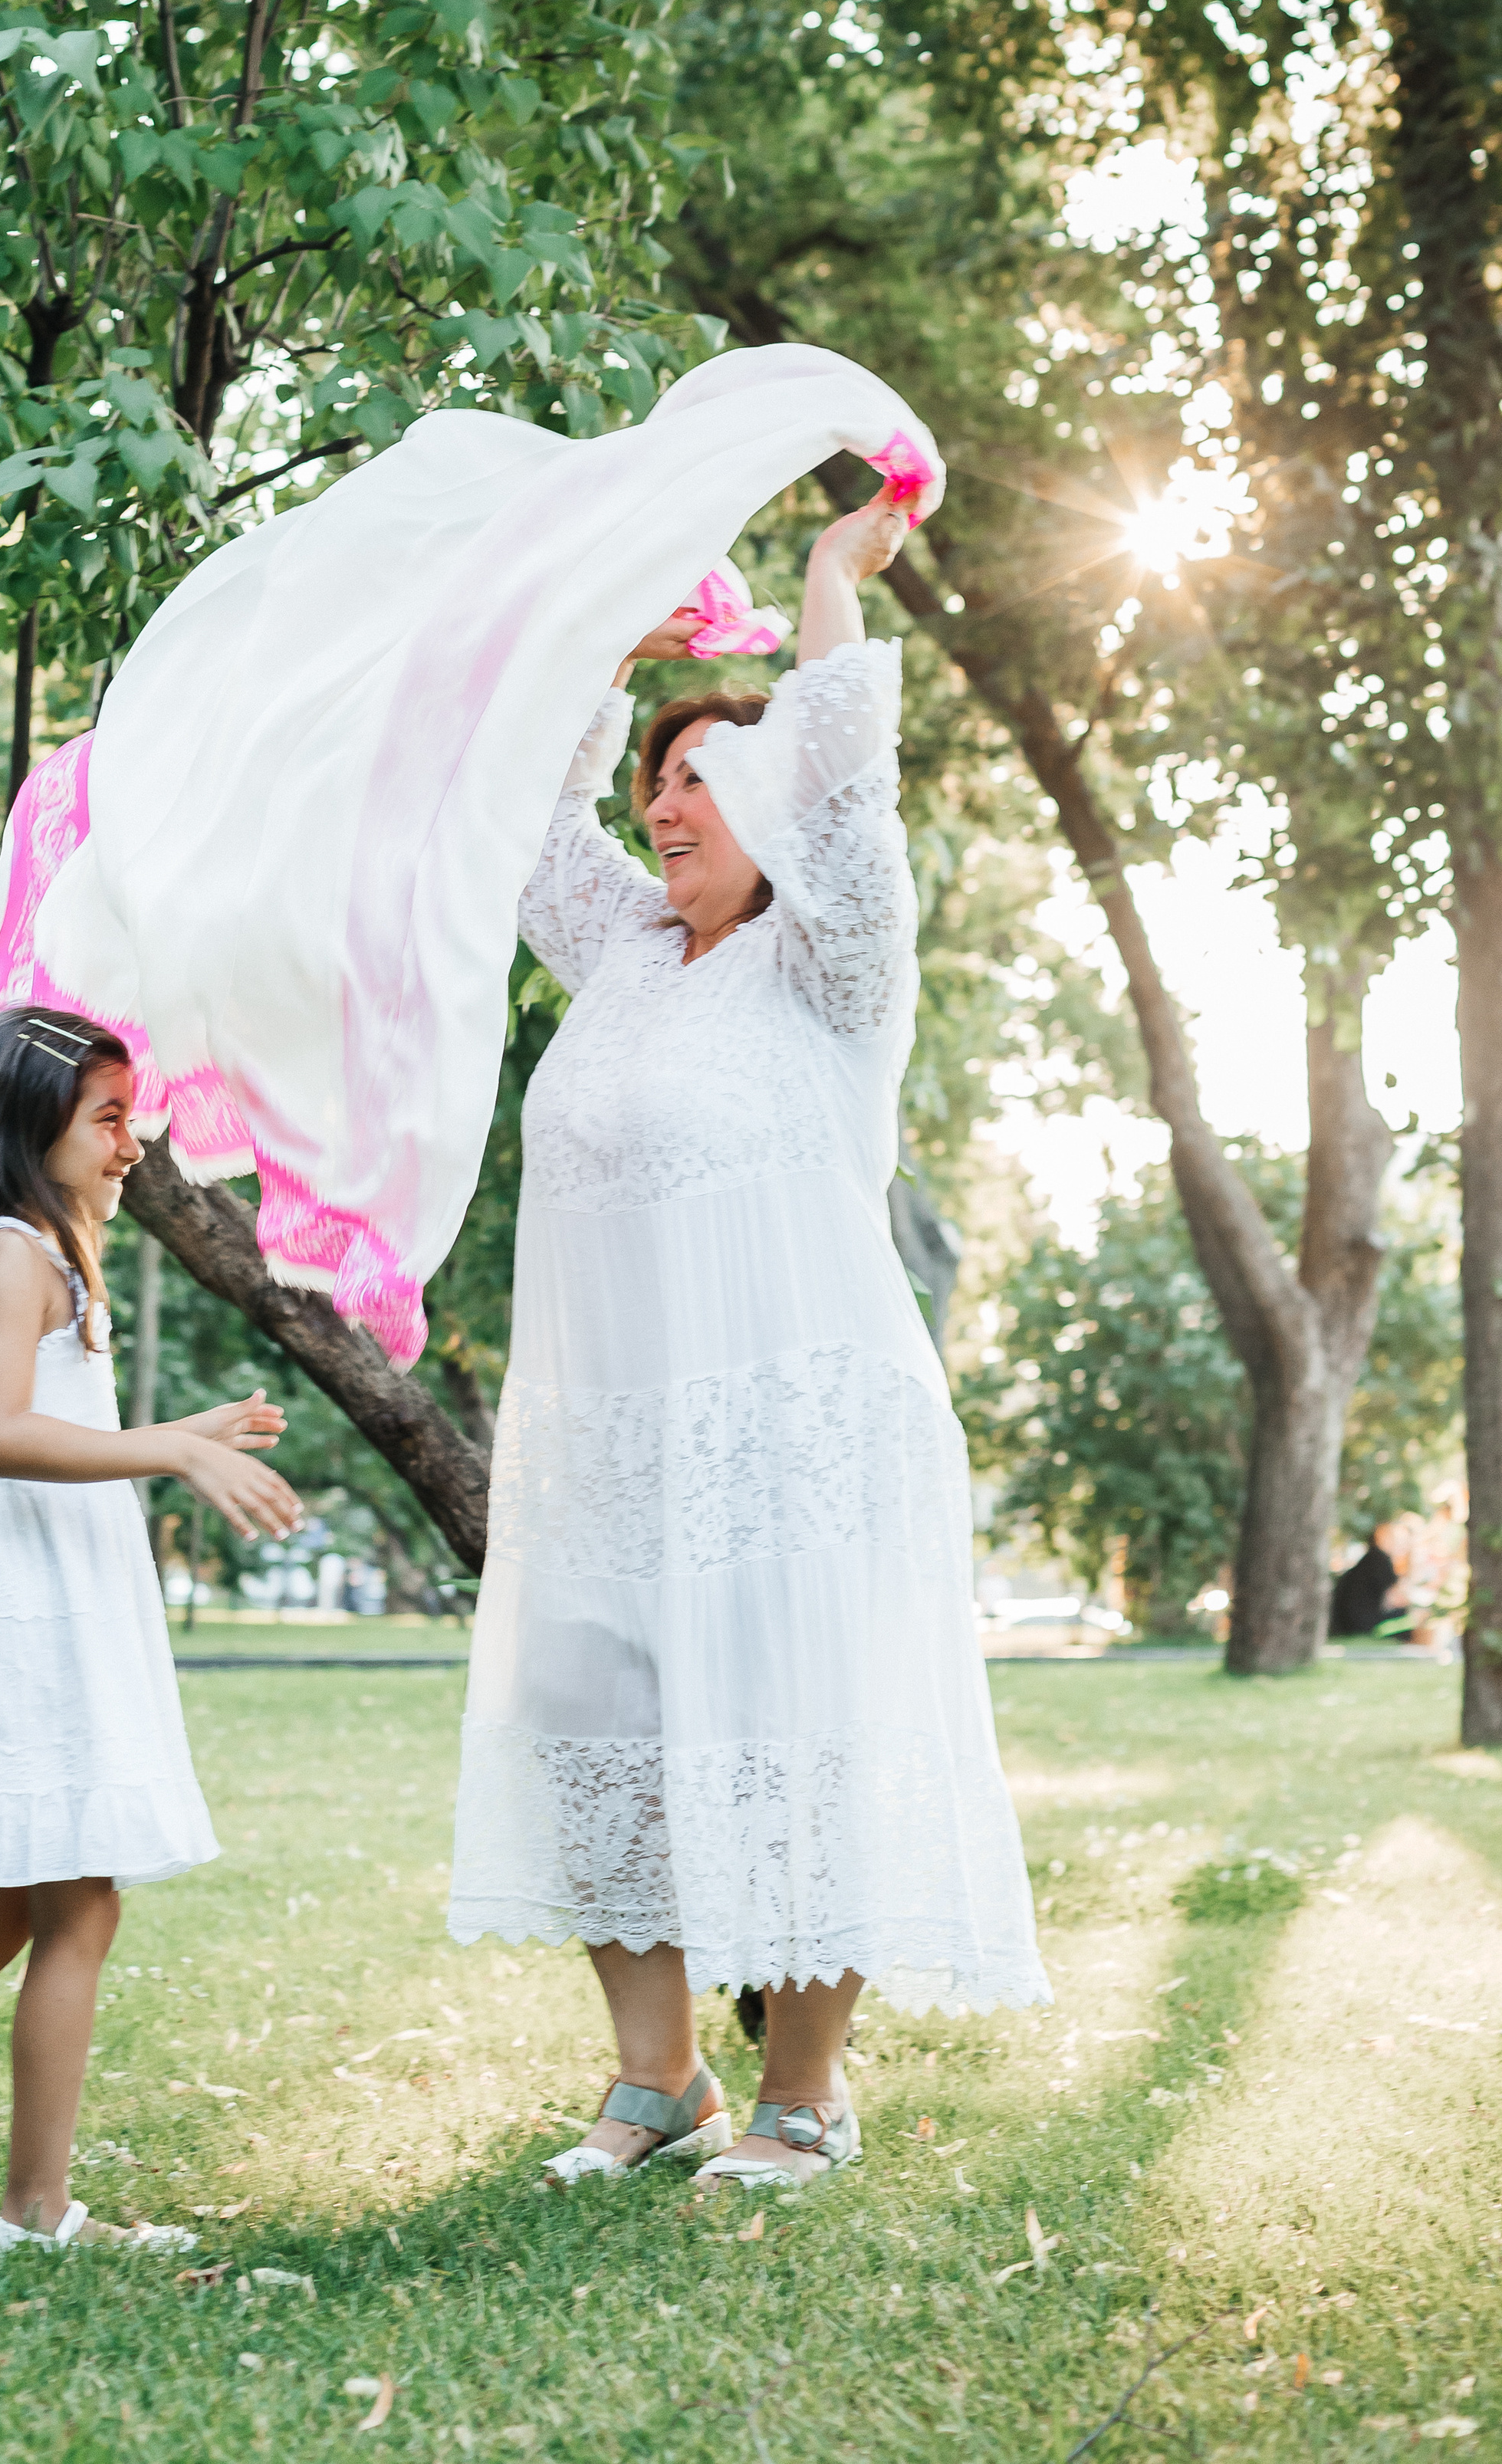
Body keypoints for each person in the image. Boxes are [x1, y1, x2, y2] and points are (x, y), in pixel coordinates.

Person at [448, 494, 1050, 2193]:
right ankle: (658, 2081)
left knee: (797, 1734)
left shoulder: (832, 964)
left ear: (773, 804)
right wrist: (603, 658)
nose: (664, 803)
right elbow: (523, 821)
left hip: (796, 1423)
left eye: (700, 778)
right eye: (661, 779)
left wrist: (823, 588)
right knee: (590, 1719)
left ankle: (802, 2096)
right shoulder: (623, 952)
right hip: (612, 1432)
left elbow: (855, 796)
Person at [0, 1008, 304, 2250]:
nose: (136, 1142)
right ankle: (33, 2208)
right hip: (19, 1593)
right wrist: (174, 1452)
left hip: (45, 1577)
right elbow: (2, 1433)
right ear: (33, 1127)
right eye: (111, 1117)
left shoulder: (43, 1248)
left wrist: (191, 1425)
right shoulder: (15, 1248)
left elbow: (53, 1416)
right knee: (75, 1906)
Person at [1329, 1520, 1409, 1639]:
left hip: (1345, 1621)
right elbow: (1395, 1600)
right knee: (1406, 1617)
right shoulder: (1380, 1561)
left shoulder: (1369, 1560)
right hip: (1360, 1622)